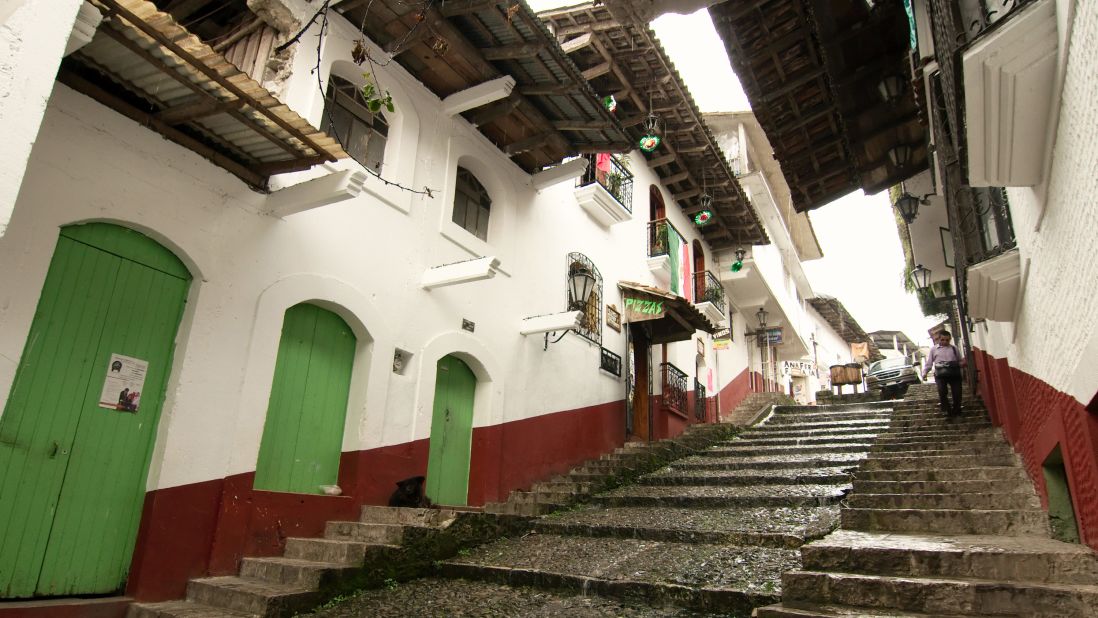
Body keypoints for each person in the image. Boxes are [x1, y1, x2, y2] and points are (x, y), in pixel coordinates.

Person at [922, 330, 965, 417]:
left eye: (947, 340)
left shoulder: (954, 348)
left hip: (954, 373)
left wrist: (962, 364)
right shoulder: (934, 349)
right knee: (942, 391)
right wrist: (925, 373)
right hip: (940, 374)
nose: (945, 342)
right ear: (939, 339)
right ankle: (946, 410)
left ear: (950, 340)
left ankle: (956, 410)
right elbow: (929, 362)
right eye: (942, 340)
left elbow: (960, 360)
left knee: (957, 392)